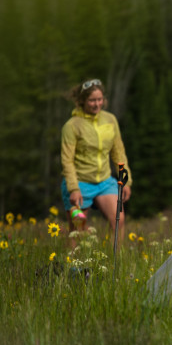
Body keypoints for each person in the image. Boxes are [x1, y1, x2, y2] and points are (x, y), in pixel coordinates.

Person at [60, 78, 132, 239]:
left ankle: (114, 262)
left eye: (99, 99)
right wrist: (73, 188)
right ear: (82, 101)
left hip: (104, 182)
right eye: (92, 100)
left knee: (118, 221)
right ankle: (74, 264)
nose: (97, 104)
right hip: (80, 182)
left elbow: (118, 153)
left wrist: (125, 181)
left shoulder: (110, 120)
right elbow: (67, 160)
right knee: (78, 230)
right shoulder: (72, 126)